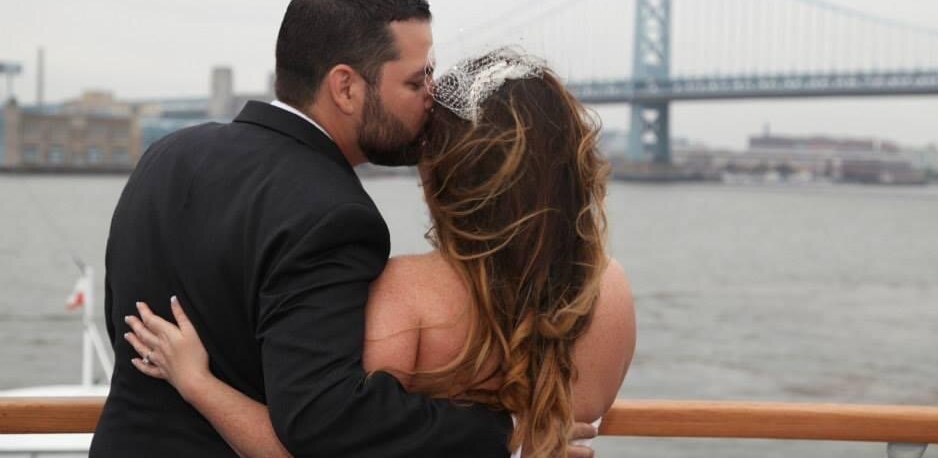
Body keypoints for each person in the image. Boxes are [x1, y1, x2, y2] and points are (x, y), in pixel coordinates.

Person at [92, 0, 551, 457]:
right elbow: (325, 414)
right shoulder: (334, 214)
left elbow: (124, 327)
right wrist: (506, 428)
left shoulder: (168, 155)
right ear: (345, 87)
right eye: (416, 81)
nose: (433, 97)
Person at [124, 48, 637, 458]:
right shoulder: (606, 288)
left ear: (443, 171)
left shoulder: (407, 295)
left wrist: (197, 382)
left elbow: (311, 447)